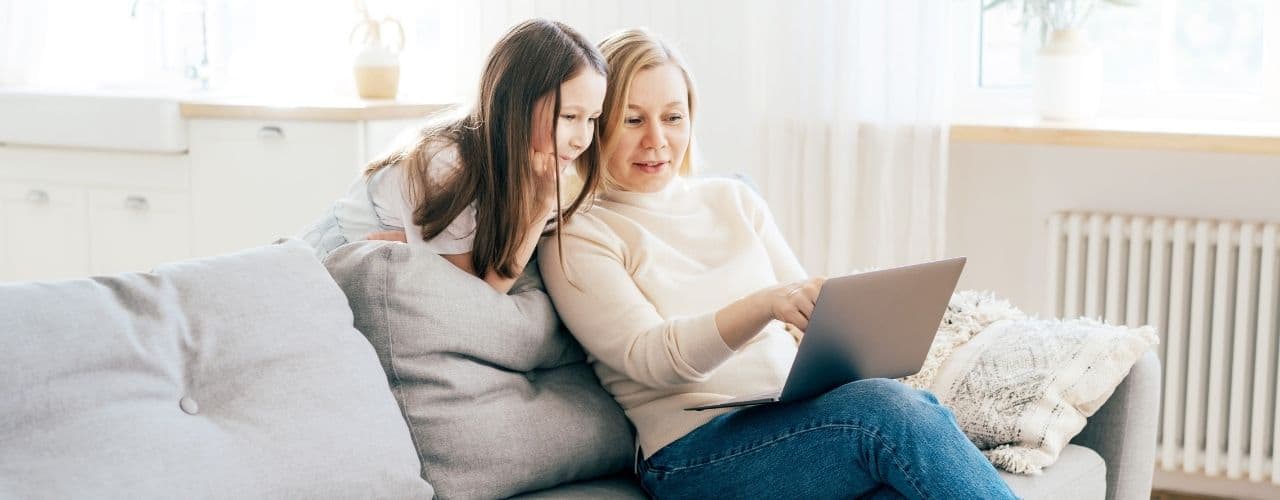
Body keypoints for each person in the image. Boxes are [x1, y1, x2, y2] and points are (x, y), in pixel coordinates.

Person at [537, 28, 1018, 499]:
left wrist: (842, 325)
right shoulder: (579, 234)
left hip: (793, 417)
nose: (657, 140)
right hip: (692, 453)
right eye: (633, 120)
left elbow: (807, 310)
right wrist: (765, 305)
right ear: (597, 126)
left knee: (907, 440)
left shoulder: (733, 200)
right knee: (889, 413)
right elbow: (656, 359)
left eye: (673, 117)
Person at [300, 19, 606, 294]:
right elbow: (481, 294)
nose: (582, 140)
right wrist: (541, 202)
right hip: (327, 267)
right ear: (516, 105)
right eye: (569, 116)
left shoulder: (535, 160)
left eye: (592, 119)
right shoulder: (446, 162)